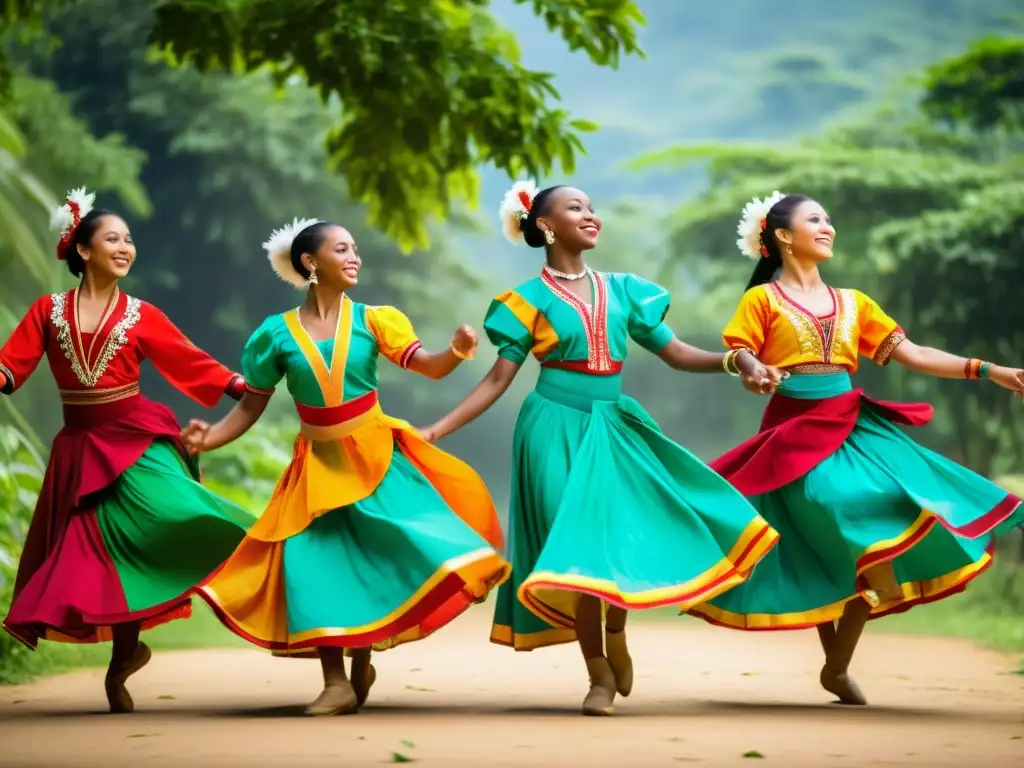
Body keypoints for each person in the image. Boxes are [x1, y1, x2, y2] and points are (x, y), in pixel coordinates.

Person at [417, 180, 781, 716]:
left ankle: (616, 631)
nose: (591, 215)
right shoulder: (525, 302)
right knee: (578, 548)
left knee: (611, 539)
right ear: (545, 225)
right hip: (551, 430)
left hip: (613, 427)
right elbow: (496, 381)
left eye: (592, 208)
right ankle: (597, 674)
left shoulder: (626, 291)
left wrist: (739, 361)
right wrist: (435, 431)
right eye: (575, 208)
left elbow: (676, 353)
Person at [688, 191, 1024, 706]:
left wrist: (987, 369)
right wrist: (755, 371)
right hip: (794, 431)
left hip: (851, 424)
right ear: (782, 237)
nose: (828, 227)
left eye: (828, 219)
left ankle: (836, 668)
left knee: (880, 512)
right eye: (815, 219)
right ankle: (853, 633)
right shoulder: (763, 300)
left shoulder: (854, 302)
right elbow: (741, 352)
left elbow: (912, 353)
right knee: (832, 510)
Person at [179, 217, 510, 717]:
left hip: (376, 455)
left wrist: (457, 352)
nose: (355, 256)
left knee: (388, 548)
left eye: (356, 249)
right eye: (342, 249)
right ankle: (335, 682)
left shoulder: (376, 320)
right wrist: (212, 438)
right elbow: (250, 405)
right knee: (315, 565)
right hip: (316, 465)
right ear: (311, 262)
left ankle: (362, 658)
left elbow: (428, 364)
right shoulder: (275, 335)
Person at [0, 188, 254, 713]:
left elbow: (189, 360)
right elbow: (11, 365)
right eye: (113, 238)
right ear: (83, 250)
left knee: (174, 517)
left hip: (137, 441)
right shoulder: (47, 312)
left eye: (129, 239)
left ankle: (259, 546)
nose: (125, 247)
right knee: (96, 558)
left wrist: (244, 387)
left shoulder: (141, 314)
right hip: (80, 450)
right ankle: (124, 658)